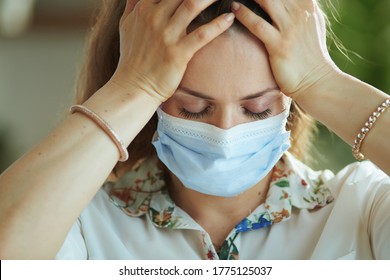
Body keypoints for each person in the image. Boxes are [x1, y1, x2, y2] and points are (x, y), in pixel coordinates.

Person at [0, 0, 389, 260]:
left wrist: (323, 81)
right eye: (194, 108)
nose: (224, 132)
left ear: (291, 100)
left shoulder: (363, 207)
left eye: (257, 108)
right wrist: (133, 85)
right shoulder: (80, 221)